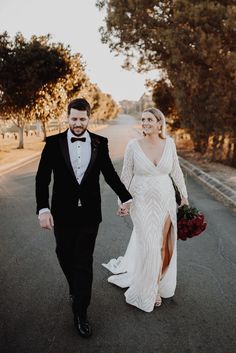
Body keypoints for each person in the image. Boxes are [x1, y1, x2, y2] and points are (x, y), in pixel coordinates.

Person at [35, 98, 132, 338]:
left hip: (90, 214)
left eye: (82, 119)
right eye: (74, 119)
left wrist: (126, 197)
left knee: (83, 260)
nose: (78, 123)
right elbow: (42, 178)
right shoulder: (53, 144)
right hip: (62, 213)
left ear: (89, 118)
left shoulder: (100, 143)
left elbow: (109, 174)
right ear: (67, 118)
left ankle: (81, 311)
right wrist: (43, 209)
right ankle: (75, 288)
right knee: (63, 253)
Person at [103, 107, 188, 313]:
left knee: (165, 246)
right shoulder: (133, 145)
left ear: (160, 123)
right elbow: (126, 175)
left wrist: (184, 197)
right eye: (143, 119)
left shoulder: (169, 144)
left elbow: (176, 171)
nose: (146, 122)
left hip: (166, 202)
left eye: (150, 119)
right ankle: (148, 290)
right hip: (141, 202)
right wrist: (122, 202)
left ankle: (158, 282)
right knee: (150, 245)